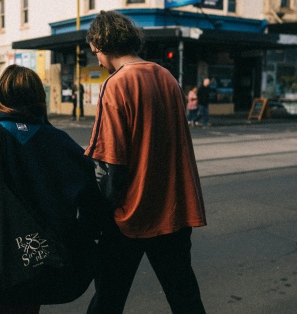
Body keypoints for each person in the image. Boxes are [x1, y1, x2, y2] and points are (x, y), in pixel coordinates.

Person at [0, 65, 106, 314]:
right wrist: (83, 236)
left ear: (1, 96)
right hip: (43, 258)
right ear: (39, 98)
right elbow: (90, 198)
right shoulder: (60, 142)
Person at [84, 10, 207, 313]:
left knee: (108, 299)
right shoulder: (167, 77)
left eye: (94, 50)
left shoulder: (116, 85)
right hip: (173, 211)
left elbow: (112, 163)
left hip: (131, 214)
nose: (96, 57)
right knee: (185, 297)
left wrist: (99, 216)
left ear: (102, 43)